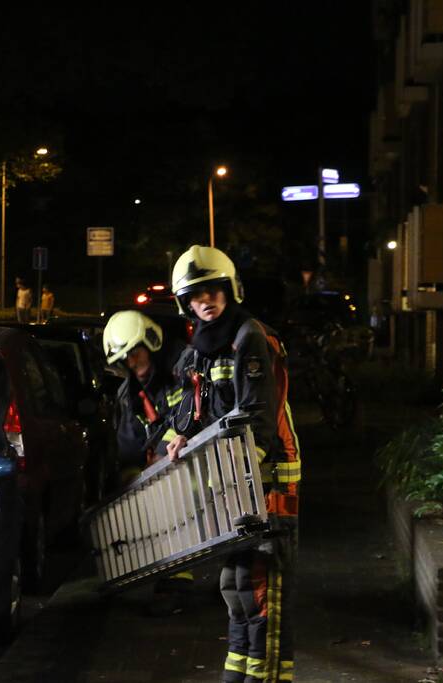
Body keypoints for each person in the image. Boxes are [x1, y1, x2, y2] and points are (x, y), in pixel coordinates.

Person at [165, 245, 301, 683]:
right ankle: (238, 675)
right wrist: (183, 435)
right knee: (236, 586)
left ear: (229, 290)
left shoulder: (249, 338)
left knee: (264, 591)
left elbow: (258, 419)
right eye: (196, 295)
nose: (206, 300)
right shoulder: (203, 347)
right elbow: (198, 408)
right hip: (235, 480)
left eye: (213, 290)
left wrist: (242, 480)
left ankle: (268, 678)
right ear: (186, 303)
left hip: (266, 481)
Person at [103, 310, 192, 615]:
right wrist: (129, 474)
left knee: (174, 499)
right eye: (124, 360)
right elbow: (127, 442)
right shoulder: (130, 393)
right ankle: (156, 573)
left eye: (135, 354)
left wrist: (163, 448)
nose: (132, 364)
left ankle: (177, 580)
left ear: (150, 343)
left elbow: (192, 415)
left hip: (191, 461)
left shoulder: (182, 369)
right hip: (164, 468)